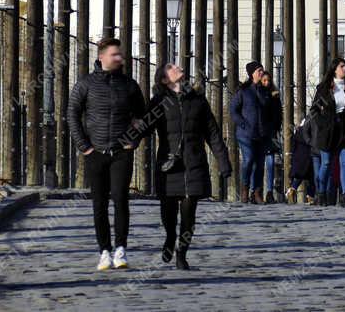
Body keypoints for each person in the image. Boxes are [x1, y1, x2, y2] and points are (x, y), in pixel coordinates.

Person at [136, 61, 232, 270]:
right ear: (164, 79)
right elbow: (144, 128)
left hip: (194, 163)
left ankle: (182, 252)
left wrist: (223, 161)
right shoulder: (158, 102)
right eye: (171, 67)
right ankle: (170, 237)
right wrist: (126, 141)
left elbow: (213, 133)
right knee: (168, 212)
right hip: (169, 165)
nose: (177, 67)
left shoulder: (198, 100)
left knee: (189, 213)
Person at [67, 38, 148, 271]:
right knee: (99, 203)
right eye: (114, 54)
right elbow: (72, 114)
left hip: (121, 152)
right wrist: (85, 146)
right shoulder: (85, 84)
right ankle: (104, 251)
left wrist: (134, 139)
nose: (119, 58)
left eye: (120, 54)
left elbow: (143, 117)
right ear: (101, 57)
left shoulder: (129, 85)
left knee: (121, 199)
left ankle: (121, 249)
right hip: (95, 152)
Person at [309, 58, 345, 207]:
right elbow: (314, 110)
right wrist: (323, 124)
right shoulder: (324, 88)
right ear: (334, 69)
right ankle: (321, 192)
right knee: (326, 163)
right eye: (342, 66)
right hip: (329, 130)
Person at [230, 61, 269, 204]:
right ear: (252, 73)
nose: (261, 73)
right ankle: (245, 188)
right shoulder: (243, 91)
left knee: (260, 163)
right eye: (259, 70)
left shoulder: (265, 91)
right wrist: (242, 123)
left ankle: (257, 191)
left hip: (262, 134)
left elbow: (270, 111)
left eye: (262, 70)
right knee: (249, 159)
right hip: (245, 133)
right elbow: (233, 109)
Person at [259, 70, 283, 204]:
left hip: (271, 132)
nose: (267, 83)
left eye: (268, 80)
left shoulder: (275, 96)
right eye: (264, 80)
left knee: (270, 161)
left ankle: (269, 191)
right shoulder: (258, 94)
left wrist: (276, 126)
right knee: (257, 162)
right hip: (260, 131)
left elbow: (279, 113)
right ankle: (256, 190)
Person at [287, 119, 316, 204]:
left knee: (300, 176)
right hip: (308, 156)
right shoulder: (310, 130)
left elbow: (293, 146)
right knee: (312, 177)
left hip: (299, 158)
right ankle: (310, 196)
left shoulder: (298, 132)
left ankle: (292, 189)